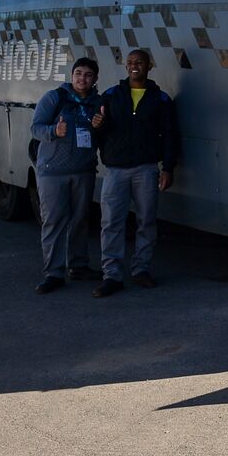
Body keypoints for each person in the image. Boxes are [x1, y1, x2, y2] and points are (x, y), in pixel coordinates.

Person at [94, 49, 180, 297]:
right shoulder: (111, 95)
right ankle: (112, 276)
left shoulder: (161, 99)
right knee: (111, 223)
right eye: (130, 63)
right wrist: (97, 128)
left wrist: (168, 168)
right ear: (125, 66)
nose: (134, 66)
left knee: (146, 221)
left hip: (146, 169)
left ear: (149, 66)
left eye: (139, 62)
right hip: (116, 171)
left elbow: (170, 136)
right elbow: (100, 131)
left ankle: (141, 270)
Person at [29, 58, 105, 294]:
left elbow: (102, 137)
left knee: (81, 220)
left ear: (95, 79)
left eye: (88, 75)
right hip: (52, 172)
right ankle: (53, 273)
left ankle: (79, 266)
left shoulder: (97, 103)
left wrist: (99, 125)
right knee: (54, 222)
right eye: (78, 73)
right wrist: (54, 131)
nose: (82, 79)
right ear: (72, 76)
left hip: (83, 171)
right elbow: (35, 128)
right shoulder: (55, 98)